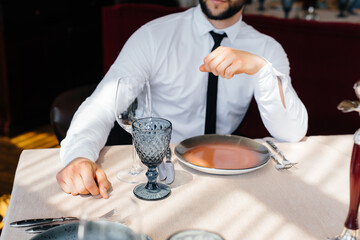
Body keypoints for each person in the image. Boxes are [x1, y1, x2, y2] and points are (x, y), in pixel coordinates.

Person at [56, 0, 308, 199]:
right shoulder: (154, 36)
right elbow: (102, 104)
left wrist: (261, 69)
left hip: (230, 173)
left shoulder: (267, 49)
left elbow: (291, 133)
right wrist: (78, 155)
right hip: (155, 172)